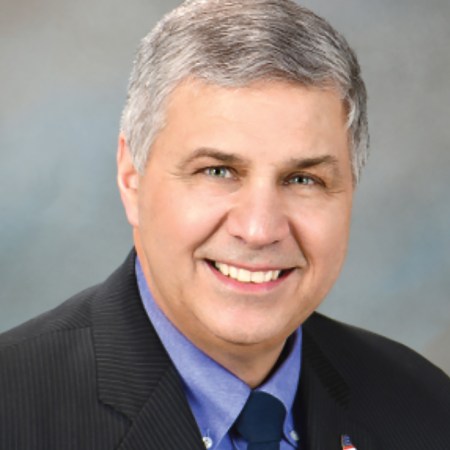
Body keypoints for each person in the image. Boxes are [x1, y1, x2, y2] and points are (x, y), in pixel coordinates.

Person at [1, 0, 449, 449]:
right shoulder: (12, 411)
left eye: (303, 179)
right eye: (217, 171)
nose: (259, 229)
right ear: (132, 178)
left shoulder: (425, 407)